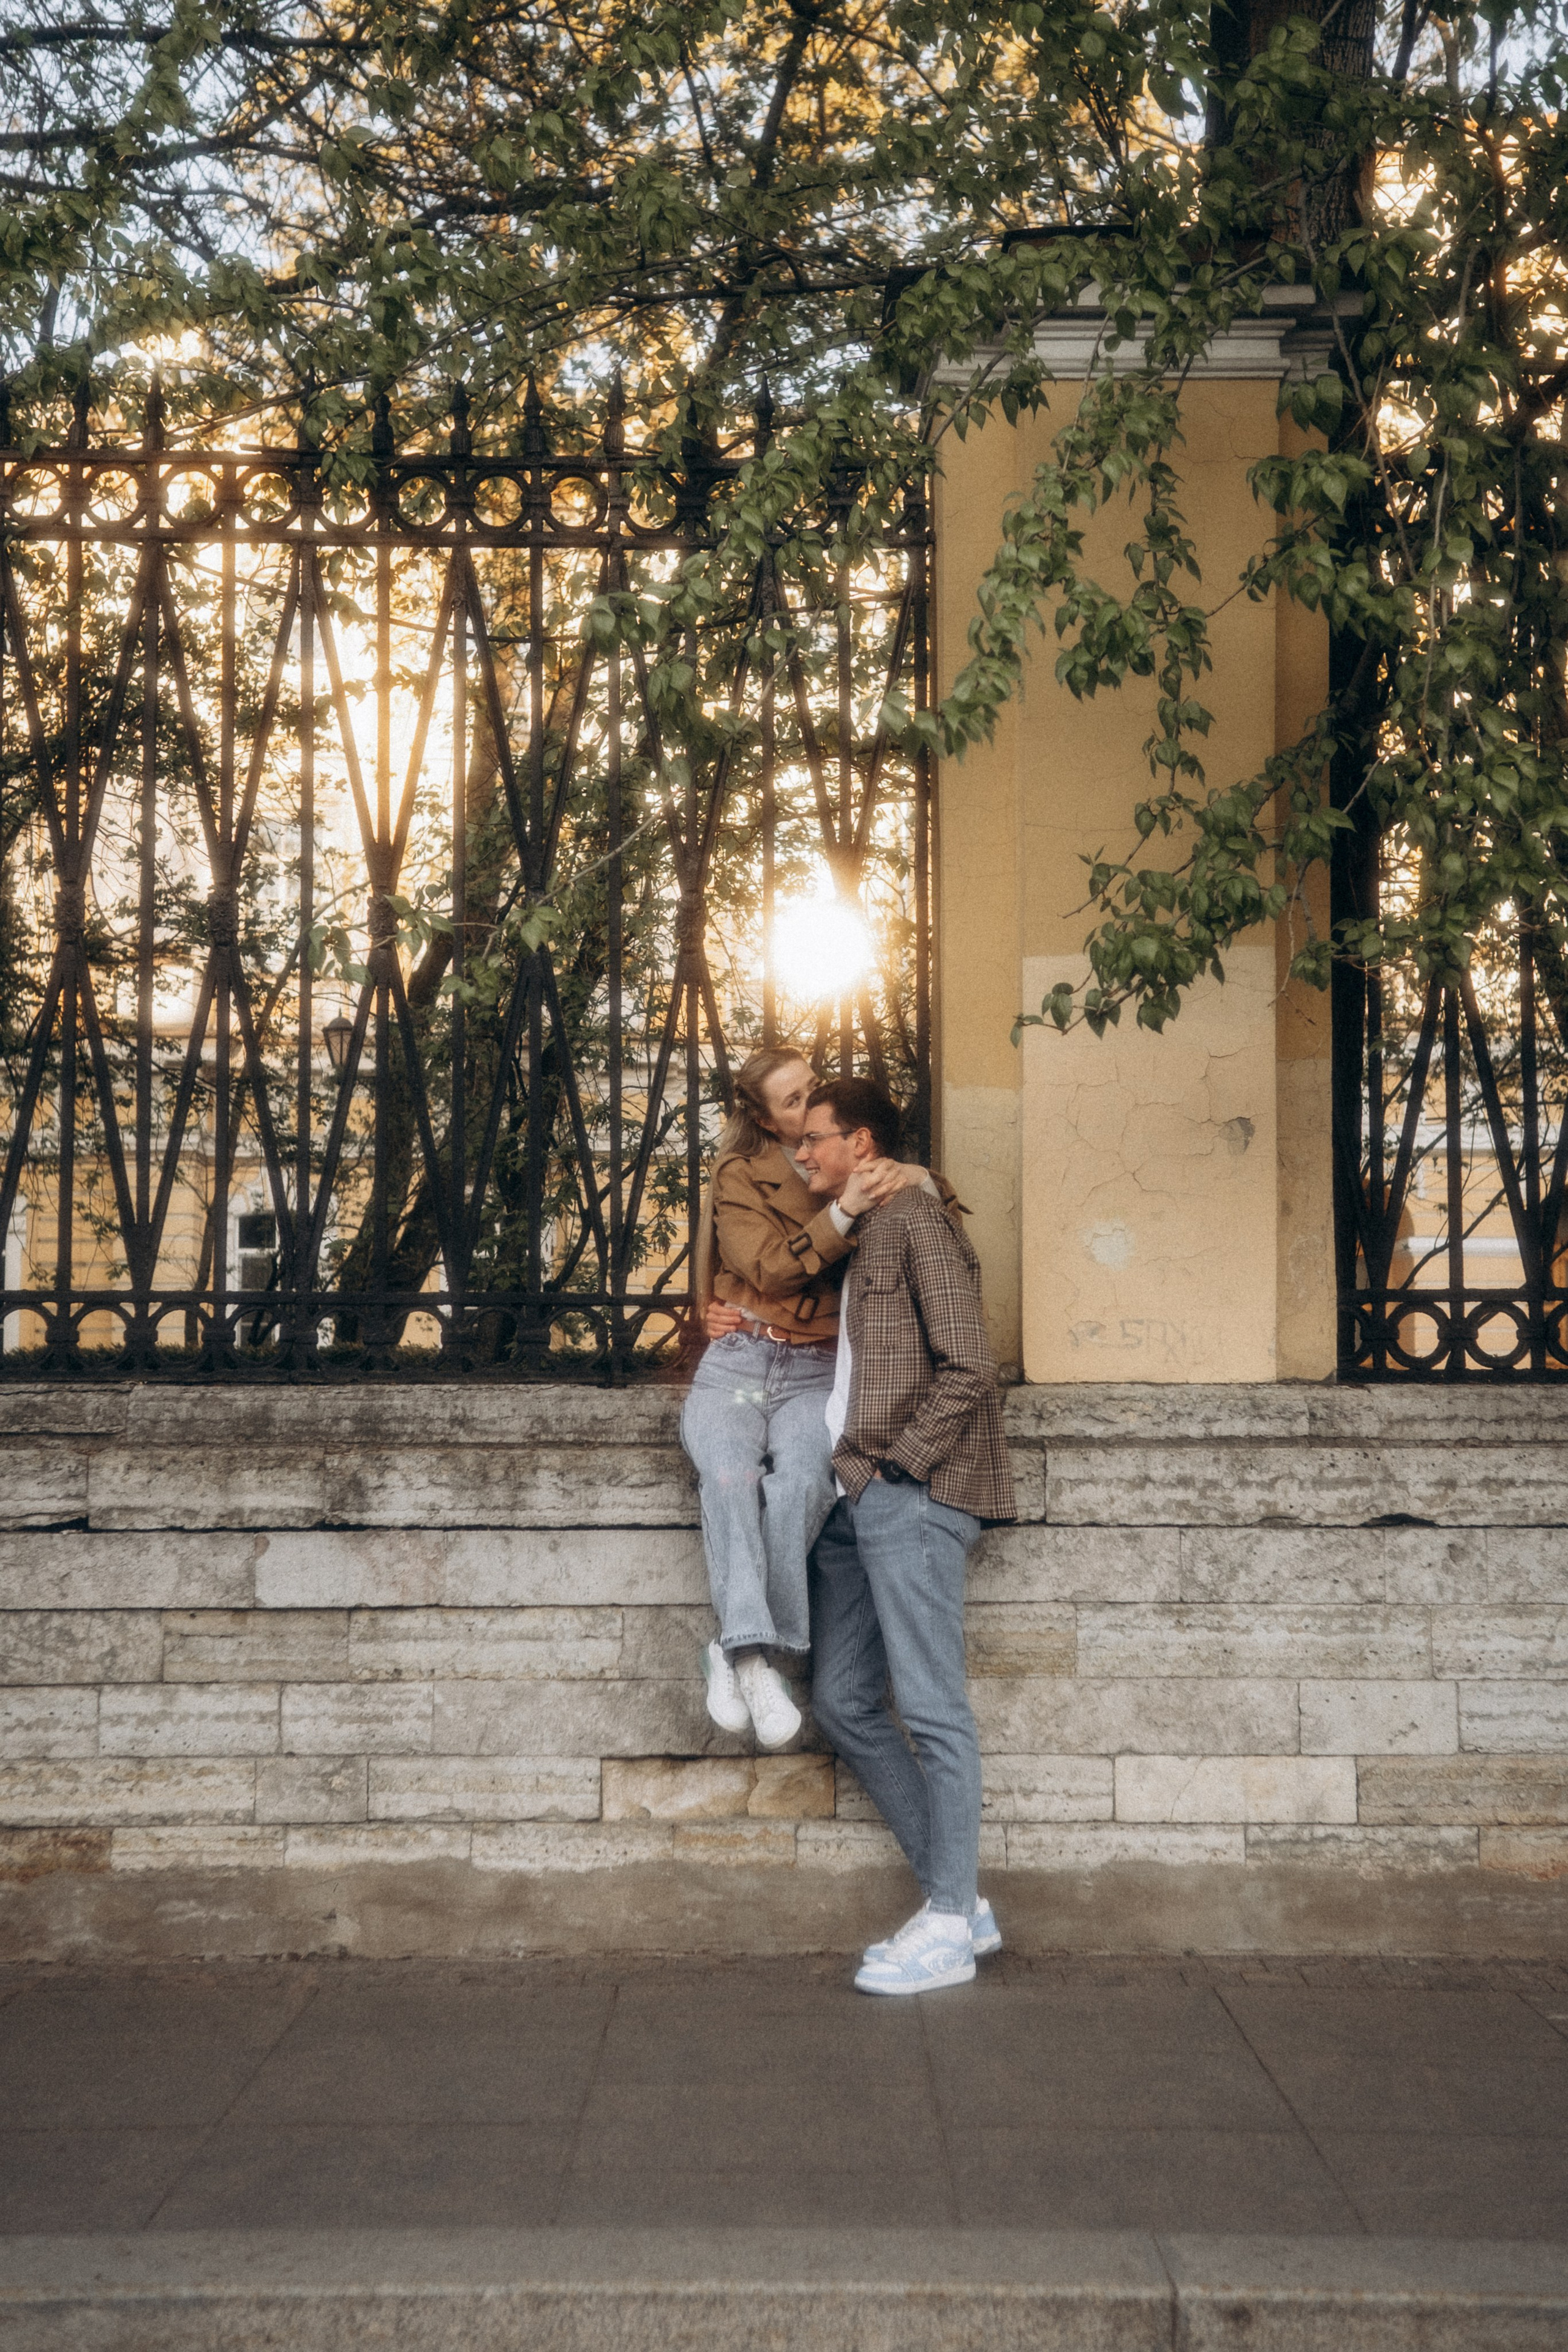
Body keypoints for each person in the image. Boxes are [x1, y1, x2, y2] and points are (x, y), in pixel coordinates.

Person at [796, 1076, 1017, 1996]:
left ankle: (948, 1929)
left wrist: (901, 1467)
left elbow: (973, 1364)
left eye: (815, 1138)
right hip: (857, 1494)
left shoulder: (917, 1220)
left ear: (861, 1142)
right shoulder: (868, 1225)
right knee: (844, 1700)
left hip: (909, 1493)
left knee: (930, 1710)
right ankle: (957, 1903)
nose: (801, 1153)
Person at [682, 1047, 923, 1749]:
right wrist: (843, 1213)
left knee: (799, 1490)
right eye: (791, 1101)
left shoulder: (845, 1162)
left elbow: (933, 1191)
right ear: (761, 1117)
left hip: (817, 1367)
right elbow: (764, 1267)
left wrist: (910, 1178)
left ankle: (739, 1653)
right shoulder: (741, 1173)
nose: (807, 1105)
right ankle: (756, 1658)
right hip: (740, 1361)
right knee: (728, 1478)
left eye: (811, 1090)